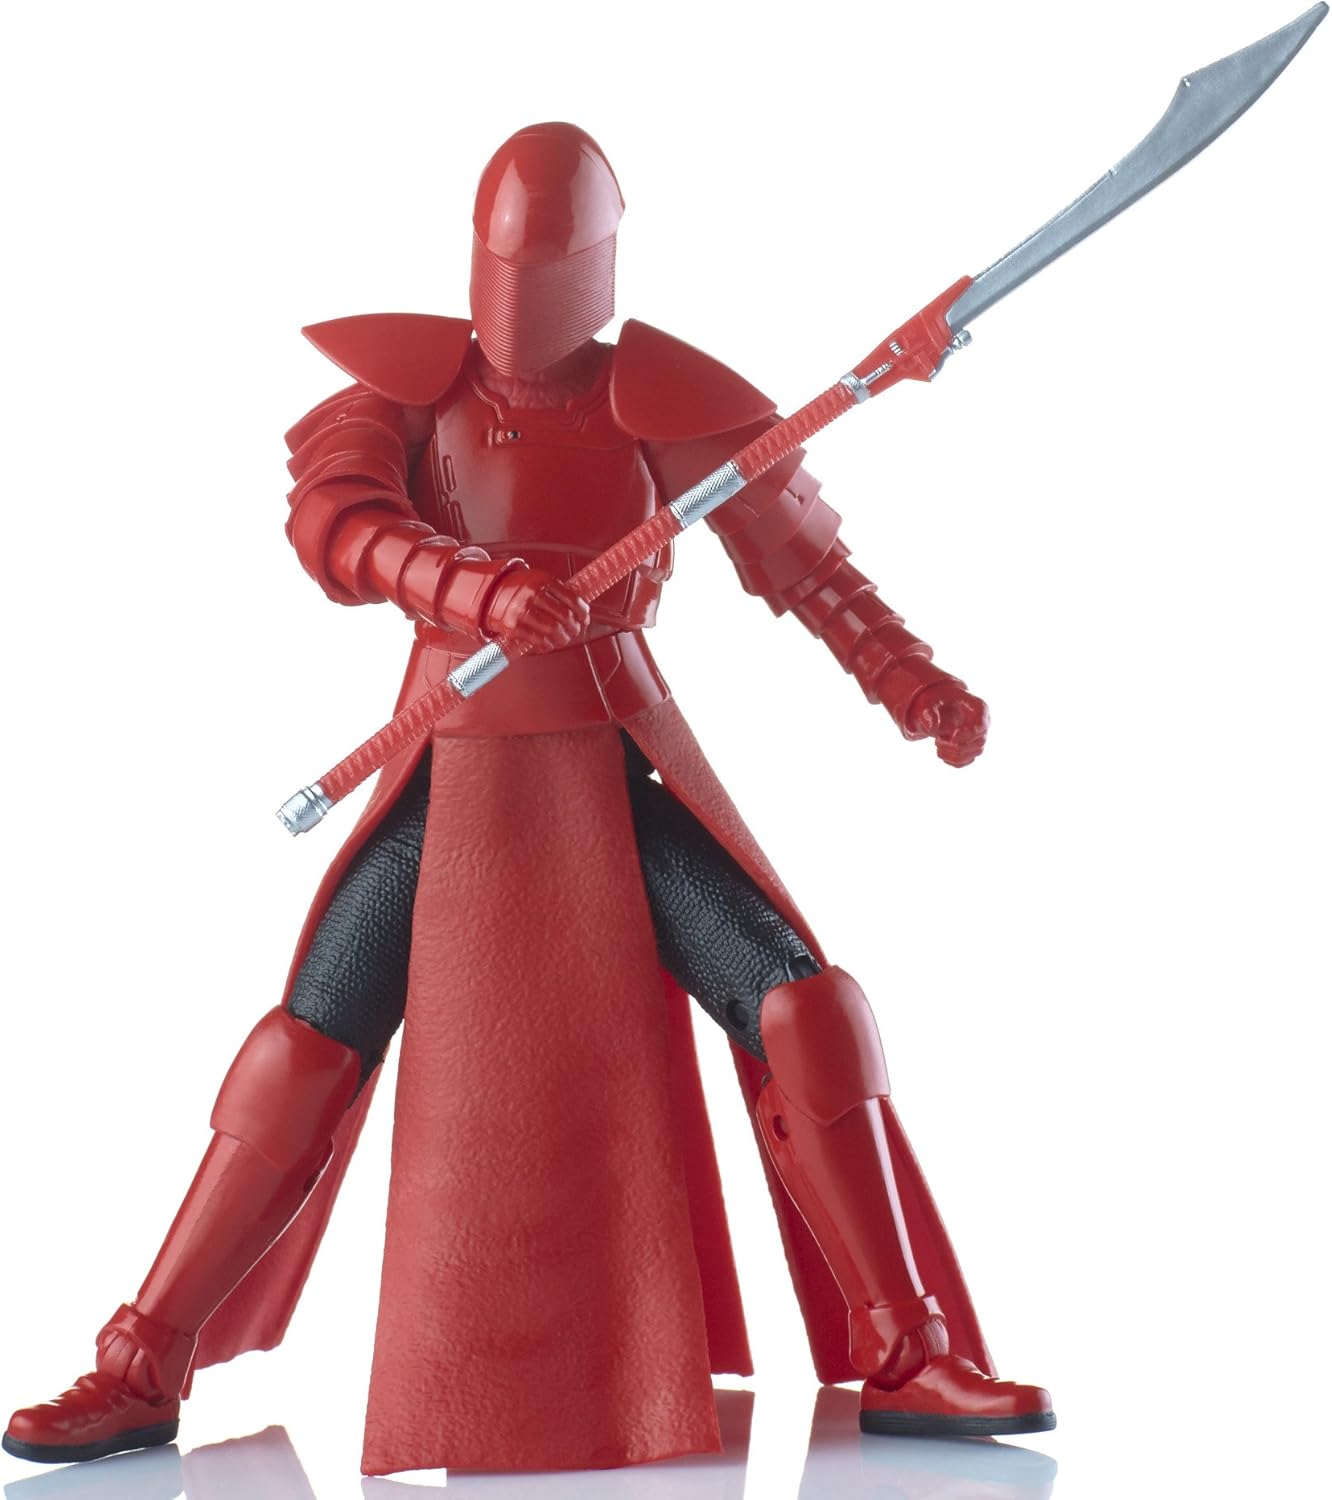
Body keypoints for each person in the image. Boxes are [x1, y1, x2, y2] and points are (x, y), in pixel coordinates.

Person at [4, 122, 1052, 1476]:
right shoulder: (410, 390)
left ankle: (908, 1352)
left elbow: (803, 564)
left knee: (804, 1010)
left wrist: (908, 677)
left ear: (600, 267)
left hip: (612, 760)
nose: (525, 300)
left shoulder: (658, 403)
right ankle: (141, 1362)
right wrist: (474, 587)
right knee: (306, 1046)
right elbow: (337, 525)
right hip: (456, 761)